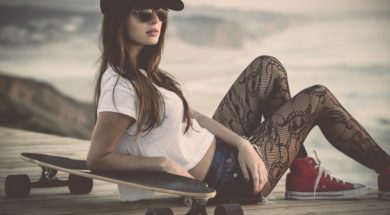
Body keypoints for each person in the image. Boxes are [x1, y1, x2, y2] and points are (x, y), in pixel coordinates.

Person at [87, 0, 390, 203]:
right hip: (228, 179)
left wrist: (244, 145)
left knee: (266, 67)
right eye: (144, 14)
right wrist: (163, 163)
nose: (156, 21)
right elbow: (98, 157)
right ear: (118, 19)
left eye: (161, 14)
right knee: (318, 97)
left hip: (226, 154)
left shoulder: (145, 74)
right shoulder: (121, 86)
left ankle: (302, 172)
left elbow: (192, 116)